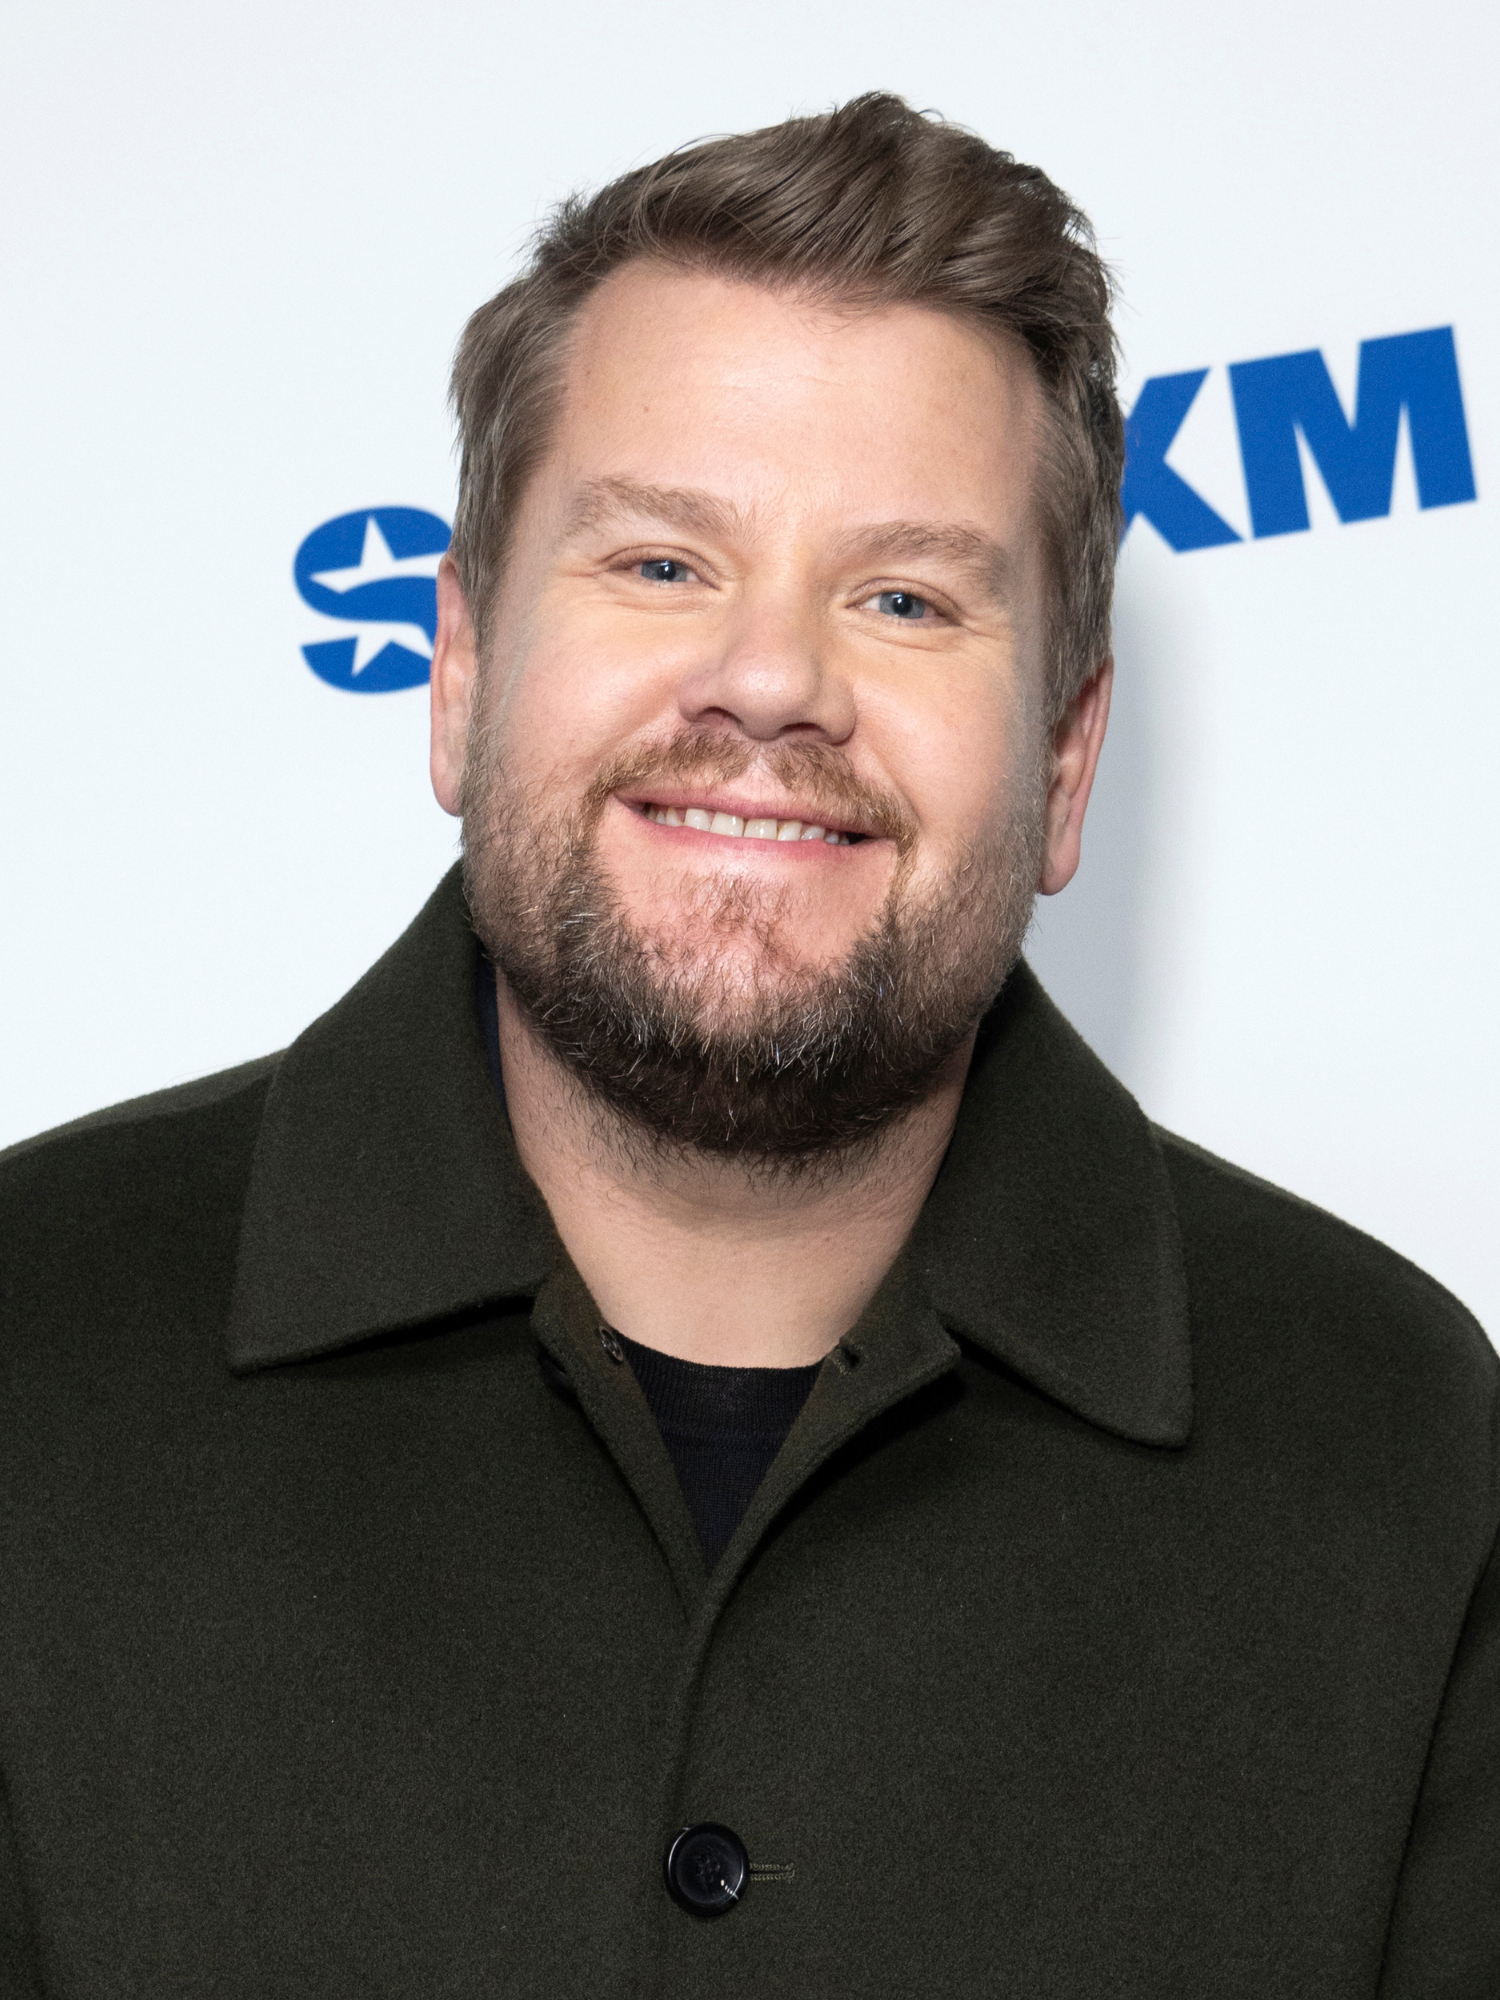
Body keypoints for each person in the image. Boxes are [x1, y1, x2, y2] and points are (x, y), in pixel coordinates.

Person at [0, 93, 1494, 1999]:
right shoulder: (27, 1349)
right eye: (660, 564)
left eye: (902, 597)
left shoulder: (1397, 1449)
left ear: (1062, 761)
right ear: (456, 675)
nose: (775, 678)